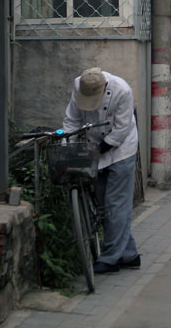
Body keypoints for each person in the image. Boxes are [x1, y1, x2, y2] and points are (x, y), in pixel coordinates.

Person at [63, 66, 140, 274]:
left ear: (105, 85)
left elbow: (121, 129)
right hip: (95, 147)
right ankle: (129, 255)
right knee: (104, 205)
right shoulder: (80, 84)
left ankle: (110, 259)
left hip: (121, 149)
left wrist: (99, 150)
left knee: (116, 204)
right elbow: (72, 120)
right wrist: (67, 147)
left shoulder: (122, 91)